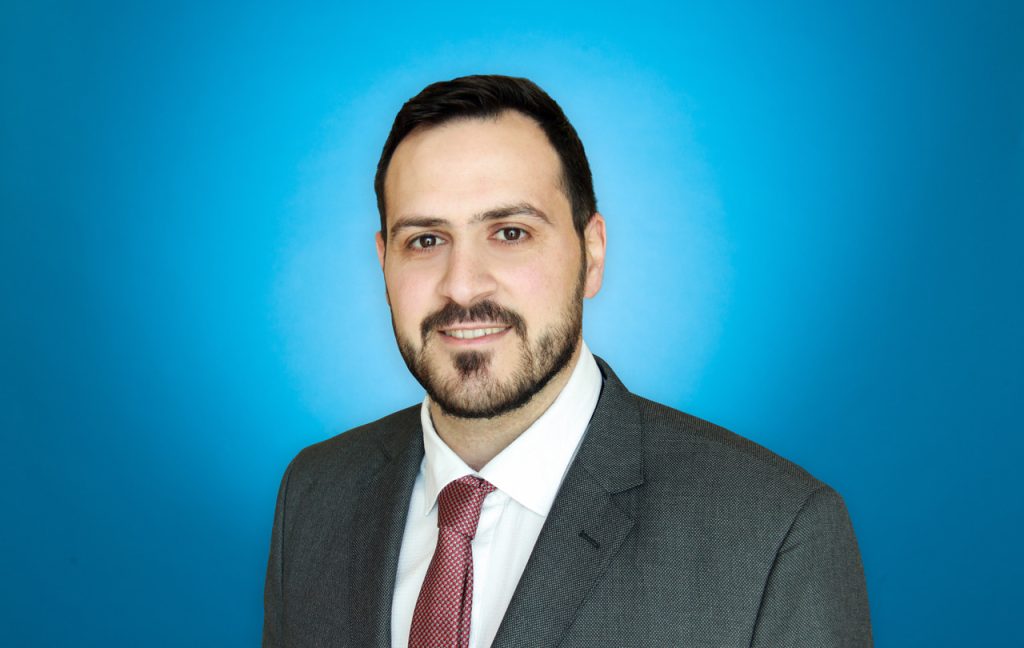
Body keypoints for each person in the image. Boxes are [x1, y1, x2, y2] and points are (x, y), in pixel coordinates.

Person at [262, 74, 872, 648]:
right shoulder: (313, 495)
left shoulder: (774, 534)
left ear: (592, 253)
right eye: (426, 240)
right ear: (384, 263)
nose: (463, 286)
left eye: (510, 232)